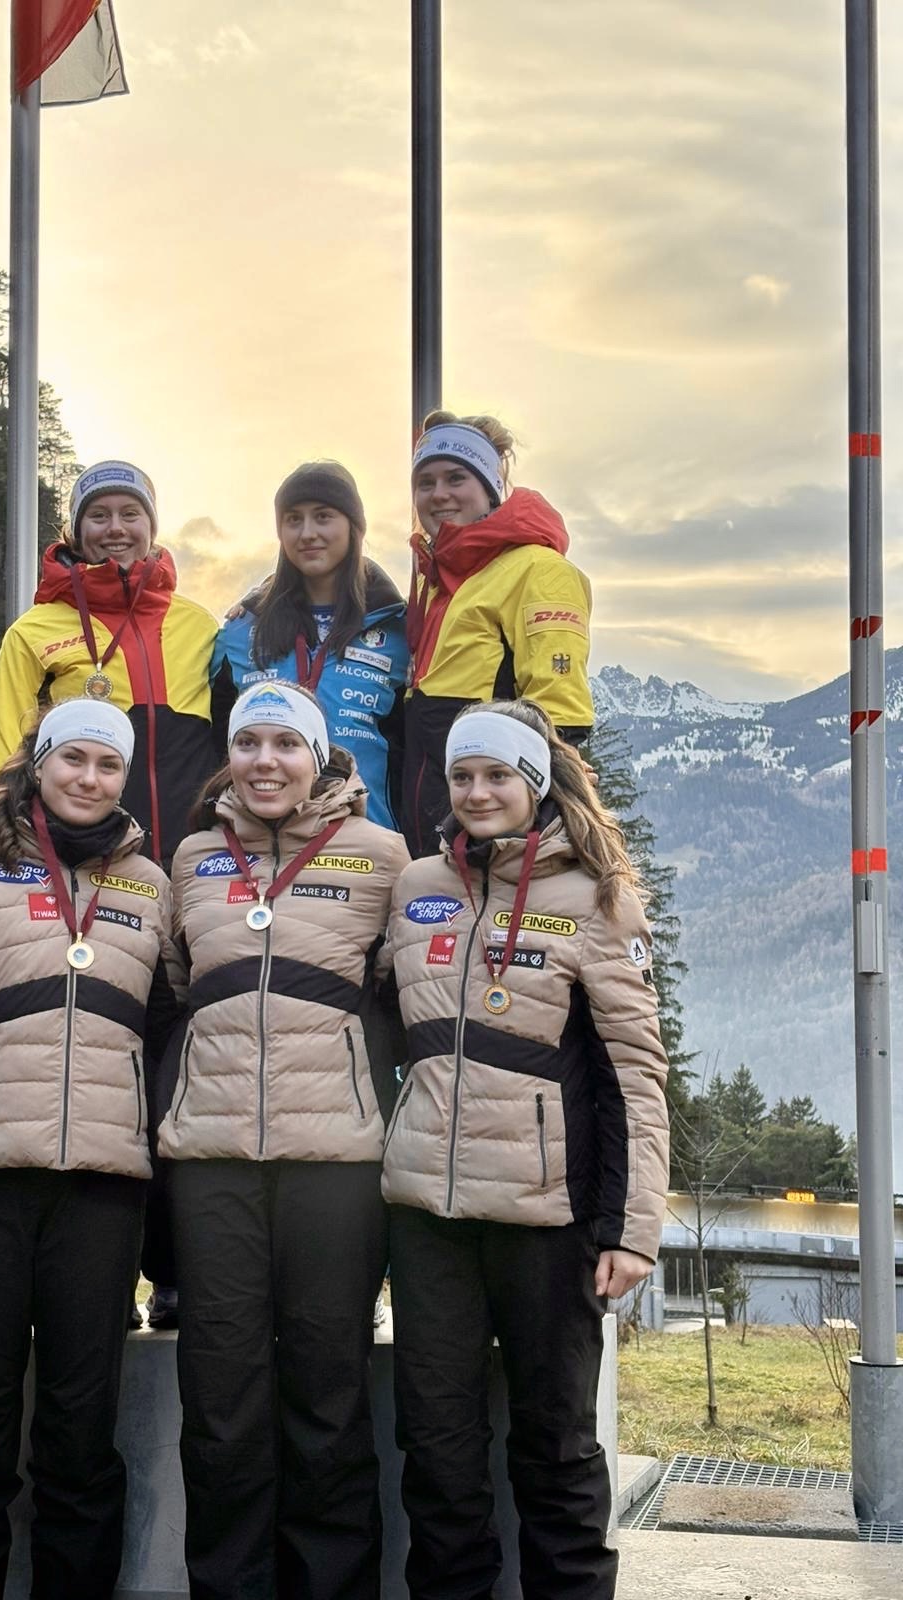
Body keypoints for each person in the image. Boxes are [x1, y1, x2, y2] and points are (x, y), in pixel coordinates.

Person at [0, 698, 182, 1600]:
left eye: (108, 767)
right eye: (74, 760)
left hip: (104, 1194)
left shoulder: (151, 886)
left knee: (79, 1435)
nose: (89, 780)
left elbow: (171, 1032)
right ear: (40, 761)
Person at [382, 700, 669, 1600]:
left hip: (550, 1219)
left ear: (535, 784)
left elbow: (635, 1075)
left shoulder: (595, 896)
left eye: (498, 775)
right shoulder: (415, 884)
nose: (477, 792)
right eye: (463, 776)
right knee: (437, 1447)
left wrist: (632, 1229)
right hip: (427, 1216)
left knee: (555, 1448)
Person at [159, 681, 410, 1600]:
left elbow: (399, 995)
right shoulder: (189, 859)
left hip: (336, 1167)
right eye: (249, 743)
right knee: (220, 1404)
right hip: (211, 1160)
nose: (266, 762)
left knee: (329, 1400)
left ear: (320, 757)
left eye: (286, 745)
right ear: (230, 755)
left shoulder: (385, 858)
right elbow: (180, 980)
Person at [0, 460, 217, 870]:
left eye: (131, 514)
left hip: (199, 860)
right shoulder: (33, 632)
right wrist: (2, 842)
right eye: (98, 515)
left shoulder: (200, 624)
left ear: (151, 527)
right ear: (76, 531)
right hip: (88, 863)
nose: (116, 528)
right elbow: (7, 752)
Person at [404, 410, 595, 856]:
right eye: (425, 483)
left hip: (491, 829)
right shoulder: (436, 580)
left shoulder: (539, 570)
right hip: (437, 815)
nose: (439, 494)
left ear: (490, 489)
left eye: (456, 478)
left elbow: (559, 712)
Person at [211, 461, 409, 829]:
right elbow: (215, 746)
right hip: (260, 844)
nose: (307, 533)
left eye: (323, 517)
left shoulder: (400, 630)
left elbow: (412, 753)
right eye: (293, 519)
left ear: (353, 526)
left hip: (366, 843)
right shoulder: (241, 632)